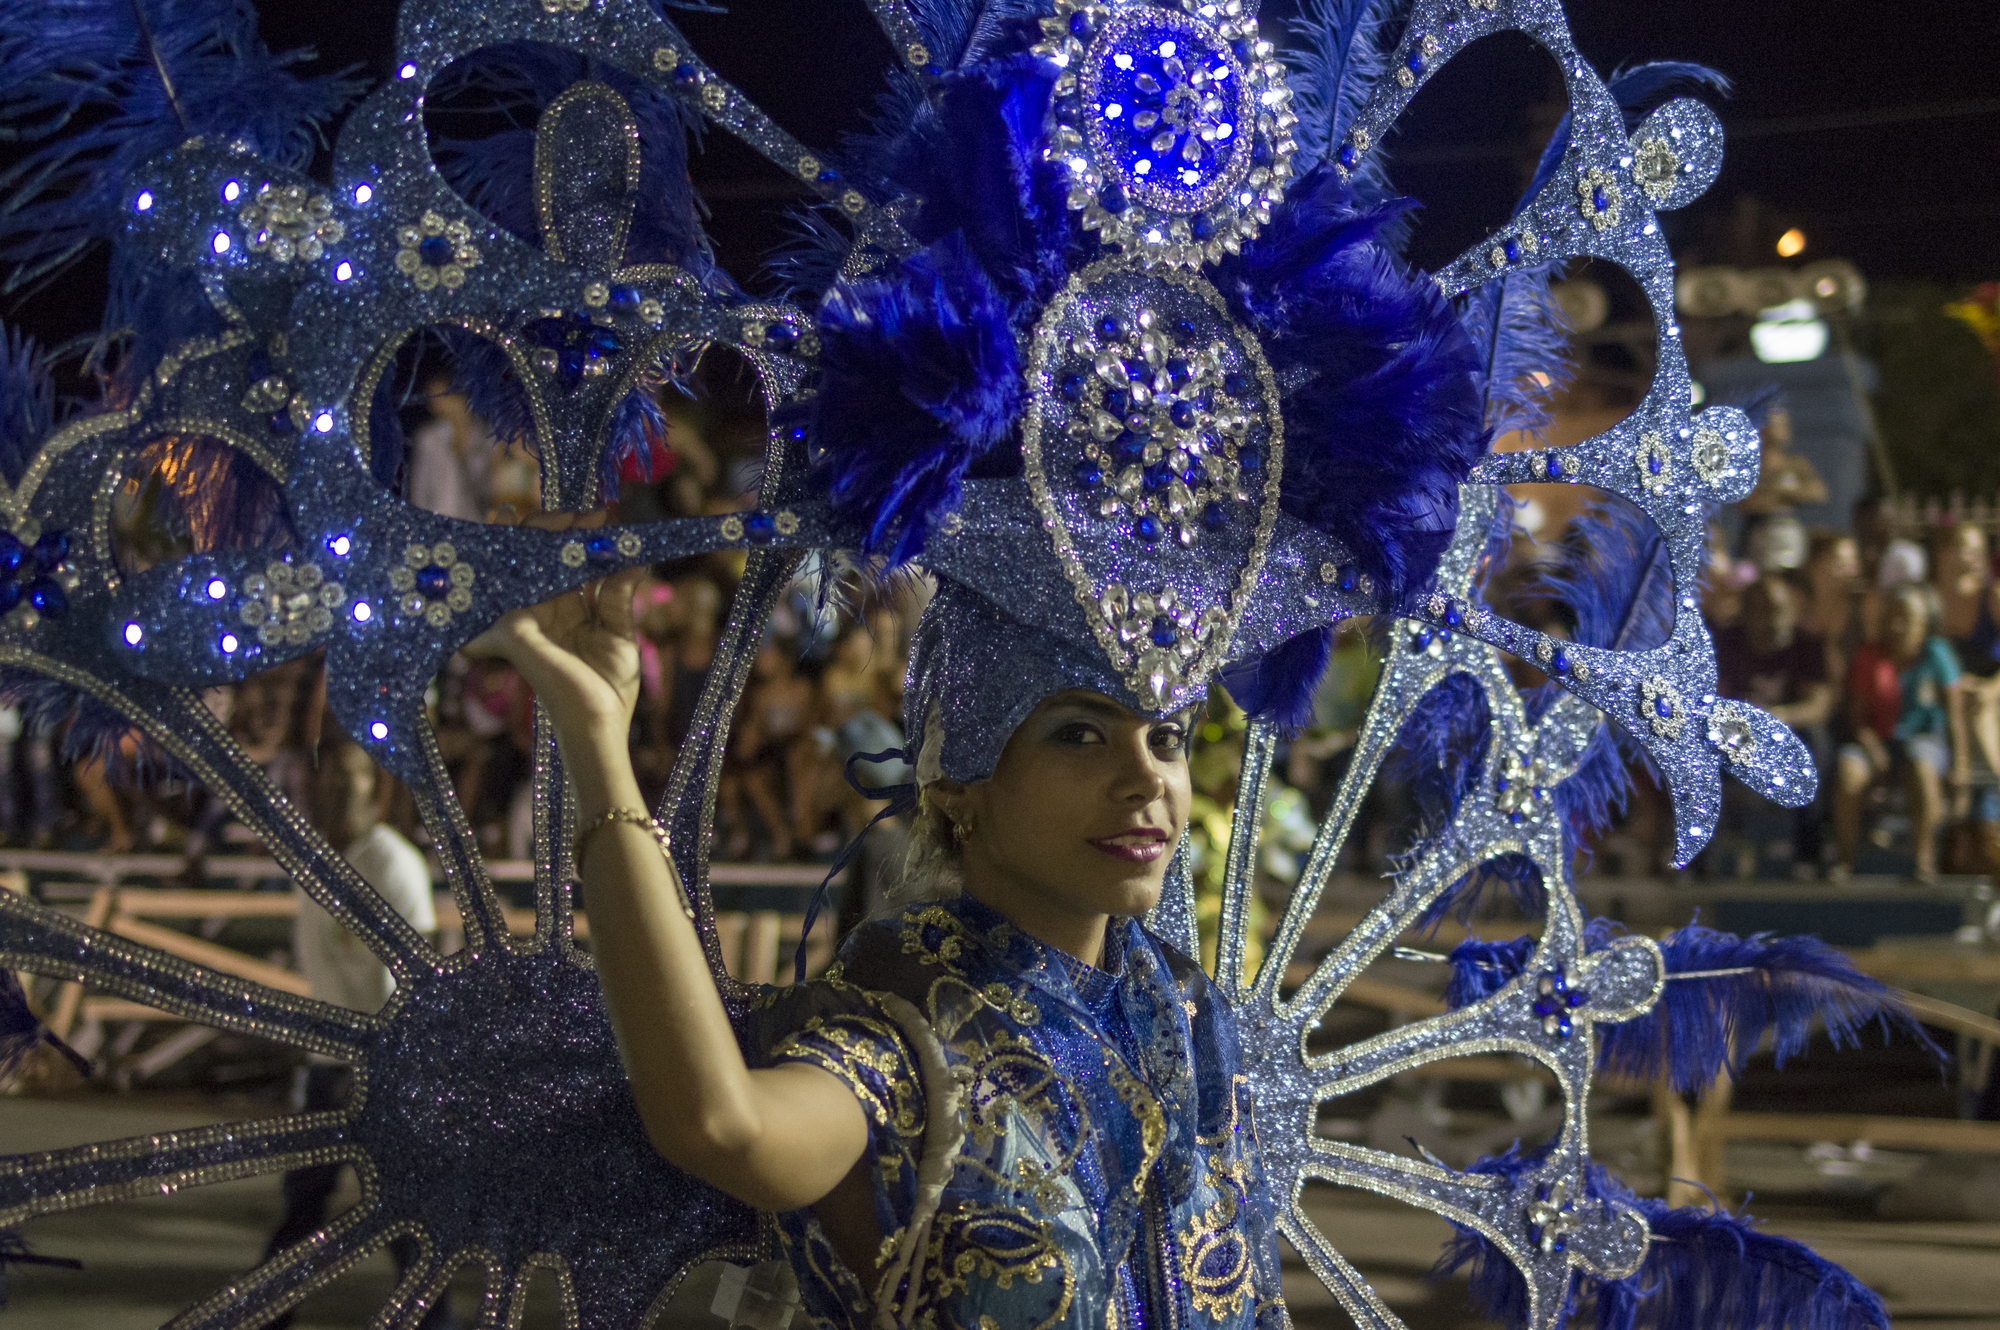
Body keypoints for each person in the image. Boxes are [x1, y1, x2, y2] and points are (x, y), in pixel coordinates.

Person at [468, 512, 1289, 1330]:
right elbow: (723, 1125)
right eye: (1080, 734)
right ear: (957, 785)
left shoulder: (1186, 1019)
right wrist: (595, 737)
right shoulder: (912, 1035)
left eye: (1167, 737)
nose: (1145, 778)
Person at [267, 738, 455, 1330]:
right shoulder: (314, 866)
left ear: (376, 787)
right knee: (305, 1208)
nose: (345, 788)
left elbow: (416, 975)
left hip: (382, 1068)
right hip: (329, 1064)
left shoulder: (390, 861)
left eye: (356, 776)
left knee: (401, 1215)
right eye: (334, 776)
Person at [1835, 584, 1969, 880]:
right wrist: (1873, 749)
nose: (1897, 626)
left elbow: (1954, 717)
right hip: (1877, 742)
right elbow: (1857, 720)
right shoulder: (1869, 656)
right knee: (1848, 769)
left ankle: (1924, 860)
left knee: (1921, 766)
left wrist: (1960, 769)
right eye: (1892, 617)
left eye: (1906, 618)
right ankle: (1845, 859)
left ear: (1923, 625)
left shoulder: (1937, 654)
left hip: (1924, 740)